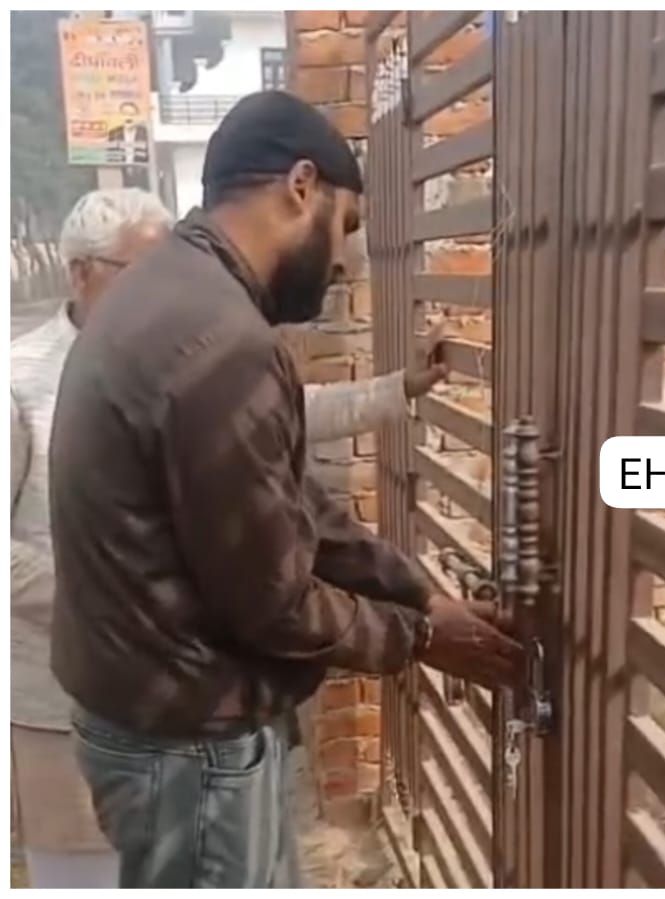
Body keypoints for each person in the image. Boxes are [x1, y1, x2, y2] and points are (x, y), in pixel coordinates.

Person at [45, 91, 520, 888]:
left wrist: (419, 594)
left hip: (163, 723)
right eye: (350, 228)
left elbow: (288, 503)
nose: (344, 263)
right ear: (302, 186)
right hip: (187, 745)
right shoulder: (218, 339)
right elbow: (274, 601)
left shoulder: (171, 293)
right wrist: (423, 639)